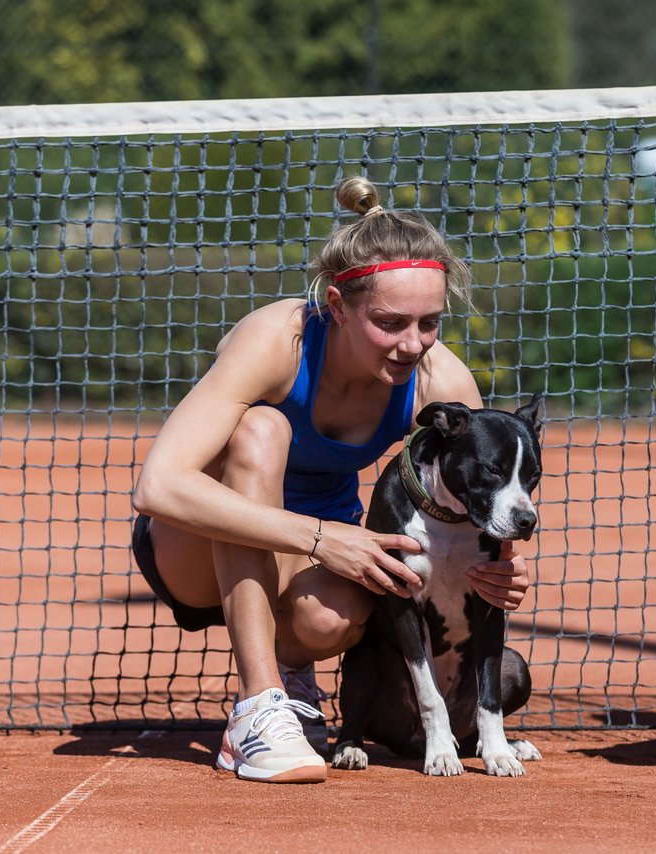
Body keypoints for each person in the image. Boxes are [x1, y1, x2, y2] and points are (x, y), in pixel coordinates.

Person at [131, 176, 532, 784]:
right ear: (338, 307)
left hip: (312, 548)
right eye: (390, 321)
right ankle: (259, 709)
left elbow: (475, 503)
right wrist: (321, 538)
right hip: (193, 546)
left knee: (338, 619)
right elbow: (157, 486)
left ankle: (292, 671)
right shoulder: (278, 339)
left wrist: (496, 567)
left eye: (429, 323)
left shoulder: (439, 380)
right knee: (261, 431)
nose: (412, 344)